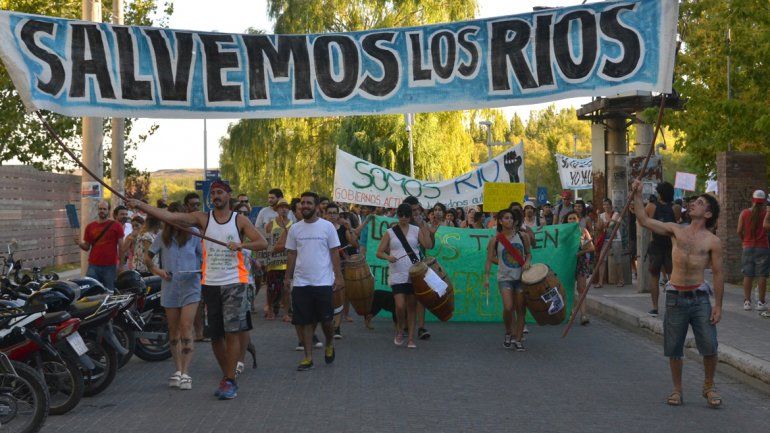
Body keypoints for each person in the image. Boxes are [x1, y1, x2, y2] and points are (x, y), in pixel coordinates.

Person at [128, 179, 267, 400]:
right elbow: (170, 217)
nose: (216, 197)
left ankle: (230, 380)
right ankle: (227, 376)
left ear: (228, 195)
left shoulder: (238, 220)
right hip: (210, 283)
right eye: (213, 194)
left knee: (232, 332)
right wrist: (140, 205)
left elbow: (262, 243)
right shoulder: (203, 219)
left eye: (220, 192)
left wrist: (242, 245)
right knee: (215, 336)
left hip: (234, 282)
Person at [632, 179, 724, 408]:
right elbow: (643, 220)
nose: (693, 204)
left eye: (700, 203)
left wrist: (719, 305)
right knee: (674, 347)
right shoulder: (675, 229)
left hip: (700, 298)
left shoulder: (713, 241)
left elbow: (720, 274)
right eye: (693, 202)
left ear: (709, 213)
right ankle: (677, 389)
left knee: (710, 346)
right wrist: (637, 194)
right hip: (675, 297)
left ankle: (709, 386)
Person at [145, 202, 203, 391]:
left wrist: (201, 271)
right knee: (173, 330)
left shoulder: (194, 233)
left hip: (191, 286)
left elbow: (204, 258)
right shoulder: (163, 236)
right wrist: (159, 271)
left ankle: (186, 372)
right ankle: (177, 370)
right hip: (170, 287)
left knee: (186, 326)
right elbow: (148, 258)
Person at [284, 192, 344, 371]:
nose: (305, 206)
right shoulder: (295, 228)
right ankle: (308, 358)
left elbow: (334, 252)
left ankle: (329, 343)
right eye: (302, 203)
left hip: (323, 282)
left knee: (326, 321)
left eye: (309, 203)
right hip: (301, 283)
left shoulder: (327, 227)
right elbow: (292, 253)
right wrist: (288, 277)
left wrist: (338, 276)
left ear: (317, 207)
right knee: (305, 322)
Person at [376, 203, 434, 349]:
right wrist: (388, 257)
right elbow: (379, 252)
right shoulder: (390, 232)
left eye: (407, 215)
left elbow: (427, 245)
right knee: (400, 305)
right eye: (401, 215)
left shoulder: (416, 230)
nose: (404, 218)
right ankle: (400, 329)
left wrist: (425, 228)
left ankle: (411, 338)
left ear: (410, 216)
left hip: (413, 273)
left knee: (412, 306)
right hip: (396, 273)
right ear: (398, 215)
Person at [484, 208, 531, 351]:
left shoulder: (523, 237)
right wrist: (486, 277)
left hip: (522, 277)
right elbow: (489, 259)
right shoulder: (495, 240)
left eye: (511, 218)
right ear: (500, 221)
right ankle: (508, 332)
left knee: (521, 309)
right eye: (505, 218)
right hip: (504, 278)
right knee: (508, 307)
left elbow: (528, 254)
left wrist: (527, 261)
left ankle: (518, 339)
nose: (509, 220)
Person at [403, 196, 436, 339]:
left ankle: (421, 327)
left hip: (420, 264)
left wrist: (424, 227)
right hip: (404, 265)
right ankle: (405, 325)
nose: (416, 212)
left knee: (421, 296)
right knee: (406, 296)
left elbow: (430, 245)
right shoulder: (401, 225)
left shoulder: (422, 223)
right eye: (413, 210)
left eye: (418, 209)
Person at [646, 182, 681, 316]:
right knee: (673, 277)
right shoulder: (675, 208)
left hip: (655, 245)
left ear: (659, 193)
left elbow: (644, 222)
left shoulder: (651, 207)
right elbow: (676, 223)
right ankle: (674, 306)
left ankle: (655, 308)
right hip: (671, 245)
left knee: (654, 276)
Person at [74, 200, 124, 290]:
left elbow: (121, 247)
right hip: (93, 265)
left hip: (110, 266)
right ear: (97, 210)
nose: (102, 211)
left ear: (108, 211)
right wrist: (79, 243)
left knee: (109, 292)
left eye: (104, 209)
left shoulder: (117, 226)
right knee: (90, 291)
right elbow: (86, 247)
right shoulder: (90, 227)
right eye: (100, 209)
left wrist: (121, 265)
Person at [737, 190, 769, 311]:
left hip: (748, 246)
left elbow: (739, 230)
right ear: (764, 201)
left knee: (748, 274)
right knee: (762, 276)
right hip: (763, 247)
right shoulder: (767, 213)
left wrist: (744, 241)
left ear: (752, 200)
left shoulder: (744, 213)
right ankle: (761, 302)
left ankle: (747, 302)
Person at [264, 198, 293, 322]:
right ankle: (270, 309)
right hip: (273, 262)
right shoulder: (270, 225)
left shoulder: (293, 225)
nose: (284, 209)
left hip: (287, 262)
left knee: (286, 288)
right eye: (281, 207)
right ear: (277, 210)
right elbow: (268, 246)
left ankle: (286, 313)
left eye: (286, 207)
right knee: (271, 287)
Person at [564, 211, 594, 325]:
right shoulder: (563, 233)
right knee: (567, 288)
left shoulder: (583, 231)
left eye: (574, 218)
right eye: (570, 218)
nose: (571, 221)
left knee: (581, 289)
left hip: (580, 263)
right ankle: (569, 312)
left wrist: (581, 252)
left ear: (578, 220)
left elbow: (591, 248)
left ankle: (583, 314)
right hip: (567, 263)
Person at [596, 198, 623, 287]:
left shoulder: (616, 214)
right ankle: (600, 282)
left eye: (607, 204)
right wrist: (598, 216)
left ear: (611, 205)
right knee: (601, 259)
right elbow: (599, 227)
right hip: (606, 239)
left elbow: (611, 225)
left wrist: (605, 223)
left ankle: (620, 280)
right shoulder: (601, 215)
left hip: (616, 239)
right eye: (604, 204)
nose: (606, 206)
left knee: (617, 260)